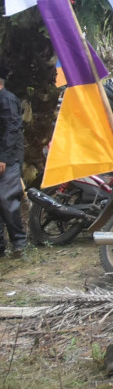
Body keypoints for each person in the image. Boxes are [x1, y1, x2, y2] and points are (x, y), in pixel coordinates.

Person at [0, 64, 26, 258]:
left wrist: (4, 158)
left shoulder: (7, 99)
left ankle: (19, 242)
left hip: (7, 158)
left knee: (7, 200)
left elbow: (12, 128)